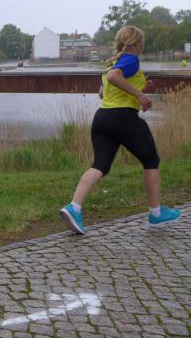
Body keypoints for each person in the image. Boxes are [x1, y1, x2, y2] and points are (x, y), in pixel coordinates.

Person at [59, 26, 180, 235]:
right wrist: (140, 95)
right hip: (123, 117)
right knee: (151, 160)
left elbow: (103, 93)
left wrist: (138, 90)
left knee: (100, 165)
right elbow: (115, 77)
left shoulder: (110, 63)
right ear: (136, 43)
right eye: (142, 42)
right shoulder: (131, 59)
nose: (143, 45)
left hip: (102, 118)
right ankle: (156, 213)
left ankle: (74, 207)